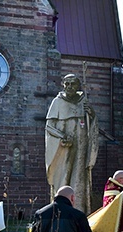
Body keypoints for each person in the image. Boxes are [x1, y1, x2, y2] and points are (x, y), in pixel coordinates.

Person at [45, 73, 99, 215]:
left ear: (78, 86)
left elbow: (91, 126)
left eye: (72, 84)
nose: (69, 87)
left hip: (81, 147)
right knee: (63, 177)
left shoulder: (84, 101)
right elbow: (49, 126)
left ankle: (79, 210)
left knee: (79, 178)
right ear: (63, 85)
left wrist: (92, 115)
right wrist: (61, 136)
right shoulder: (57, 102)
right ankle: (60, 210)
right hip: (63, 148)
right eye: (66, 83)